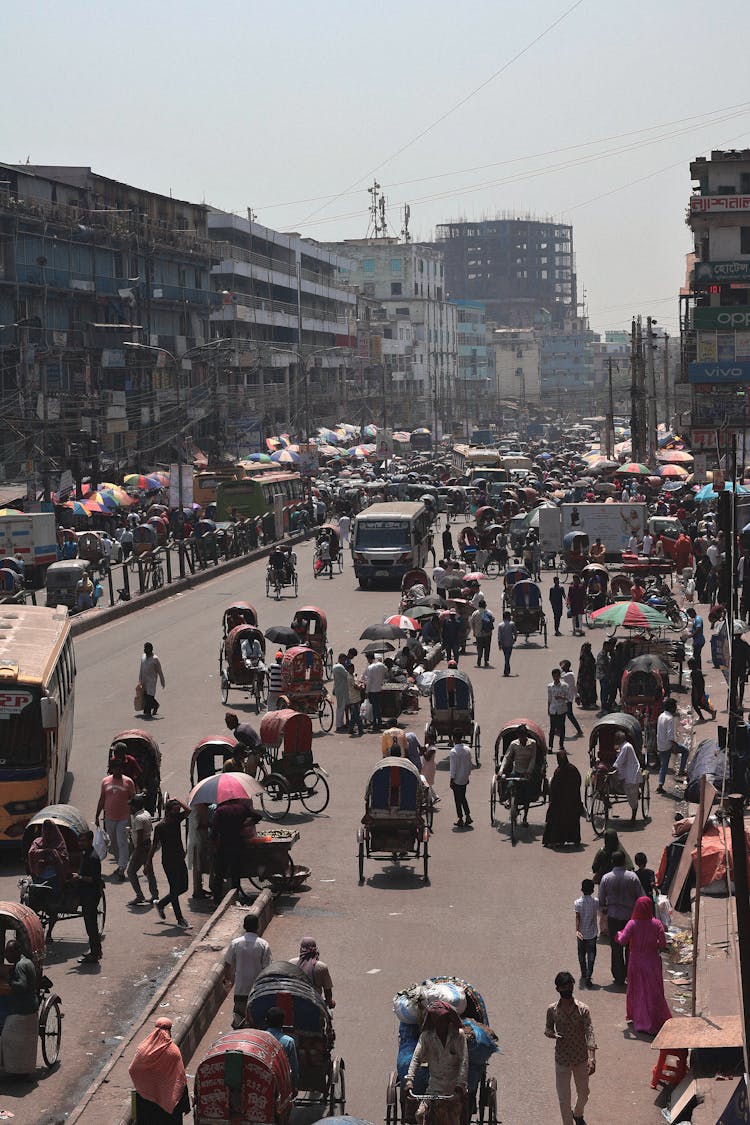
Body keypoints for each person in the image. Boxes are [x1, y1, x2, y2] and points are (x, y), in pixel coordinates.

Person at [544, 971, 596, 1125]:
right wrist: (551, 1034)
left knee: (584, 1093)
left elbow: (590, 1032)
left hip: (580, 1058)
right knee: (563, 1099)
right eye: (564, 986)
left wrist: (592, 1058)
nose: (567, 988)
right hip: (562, 1060)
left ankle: (578, 1113)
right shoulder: (552, 1010)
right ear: (558, 989)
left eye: (570, 985)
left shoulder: (583, 1009)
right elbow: (547, 1029)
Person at [404, 1001, 468, 1125]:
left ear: (448, 1019)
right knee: (420, 1115)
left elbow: (464, 1061)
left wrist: (460, 1086)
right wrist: (409, 1080)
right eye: (437, 1020)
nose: (440, 1023)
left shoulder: (458, 1036)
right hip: (433, 1090)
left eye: (443, 1020)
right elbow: (416, 1059)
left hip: (454, 1092)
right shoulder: (426, 1037)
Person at [616, 897, 672, 1035]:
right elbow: (663, 944)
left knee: (638, 990)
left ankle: (641, 1020)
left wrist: (618, 934)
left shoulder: (632, 924)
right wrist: (653, 945)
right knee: (653, 991)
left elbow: (622, 941)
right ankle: (654, 1019)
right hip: (652, 961)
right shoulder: (656, 923)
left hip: (636, 962)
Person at [129, 1016, 190, 1123]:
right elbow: (180, 1079)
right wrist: (185, 1105)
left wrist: (145, 1086)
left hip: (146, 1102)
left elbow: (133, 1069)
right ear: (169, 1030)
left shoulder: (143, 1049)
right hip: (168, 1103)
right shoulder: (173, 1051)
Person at [145, 798, 191, 929]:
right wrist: (148, 862)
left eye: (178, 810)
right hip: (169, 861)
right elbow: (154, 846)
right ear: (168, 811)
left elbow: (188, 811)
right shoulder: (160, 827)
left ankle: (161, 904)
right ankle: (180, 919)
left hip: (179, 859)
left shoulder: (177, 820)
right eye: (175, 810)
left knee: (184, 887)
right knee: (175, 889)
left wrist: (177, 800)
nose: (177, 812)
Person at [598, 850, 642, 985]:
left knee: (616, 947)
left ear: (612, 862)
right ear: (624, 862)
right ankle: (630, 974)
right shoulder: (633, 877)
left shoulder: (606, 878)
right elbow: (641, 897)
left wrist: (604, 908)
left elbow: (601, 898)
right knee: (630, 947)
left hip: (613, 917)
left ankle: (618, 976)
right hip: (630, 918)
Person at [223, 914, 272, 1028]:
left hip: (241, 990)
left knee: (240, 1021)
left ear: (244, 926)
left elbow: (227, 965)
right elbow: (268, 969)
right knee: (257, 1022)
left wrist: (227, 981)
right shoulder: (263, 944)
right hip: (257, 991)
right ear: (258, 926)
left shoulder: (235, 943)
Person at [27, 818, 71, 943]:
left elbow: (62, 858)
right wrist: (45, 853)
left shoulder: (59, 843)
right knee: (31, 904)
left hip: (55, 878)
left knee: (53, 907)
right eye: (45, 831)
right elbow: (32, 852)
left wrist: (52, 857)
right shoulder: (38, 841)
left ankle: (49, 933)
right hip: (39, 878)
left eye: (49, 831)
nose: (47, 833)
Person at [95, 760, 136, 878]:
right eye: (115, 768)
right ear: (111, 769)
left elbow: (133, 799)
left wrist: (133, 816)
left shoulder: (128, 782)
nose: (118, 771)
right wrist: (97, 815)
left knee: (122, 842)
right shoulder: (105, 781)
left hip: (123, 818)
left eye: (120, 768)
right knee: (113, 843)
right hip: (109, 818)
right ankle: (120, 863)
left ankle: (122, 867)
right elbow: (102, 799)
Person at [72, 829, 103, 964]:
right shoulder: (86, 854)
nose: (80, 843)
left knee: (91, 925)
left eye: (83, 841)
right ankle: (96, 951)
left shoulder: (93, 857)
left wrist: (79, 877)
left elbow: (94, 880)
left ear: (90, 841)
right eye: (79, 840)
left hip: (91, 895)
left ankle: (94, 954)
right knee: (90, 925)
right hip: (86, 894)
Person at [542, 751, 583, 847]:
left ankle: (556, 839)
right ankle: (573, 838)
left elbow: (554, 787)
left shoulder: (559, 771)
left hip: (559, 802)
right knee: (572, 819)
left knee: (554, 818)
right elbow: (578, 782)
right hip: (573, 801)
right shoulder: (573, 769)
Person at [501, 724, 539, 825]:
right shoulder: (514, 744)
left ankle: (525, 818)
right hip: (516, 770)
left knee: (527, 795)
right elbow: (507, 757)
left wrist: (528, 772)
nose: (521, 738)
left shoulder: (532, 744)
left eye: (522, 736)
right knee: (509, 784)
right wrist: (501, 770)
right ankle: (509, 801)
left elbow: (533, 758)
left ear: (525, 735)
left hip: (527, 772)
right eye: (519, 736)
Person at [127, 794, 159, 904]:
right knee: (149, 872)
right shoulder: (146, 814)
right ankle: (155, 895)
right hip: (147, 846)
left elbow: (140, 835)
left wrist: (136, 851)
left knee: (131, 872)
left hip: (141, 848)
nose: (129, 808)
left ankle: (139, 895)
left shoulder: (138, 818)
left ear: (135, 807)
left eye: (131, 806)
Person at [0, 940, 37, 1032]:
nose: (6, 955)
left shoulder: (20, 966)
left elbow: (21, 986)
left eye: (10, 952)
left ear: (18, 951)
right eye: (6, 952)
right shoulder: (27, 961)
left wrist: (8, 979)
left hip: (22, 1007)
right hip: (31, 1003)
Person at [290, 937, 335, 1008]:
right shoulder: (321, 966)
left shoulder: (291, 963)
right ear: (315, 949)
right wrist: (330, 1002)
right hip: (314, 1003)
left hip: (294, 1001)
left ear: (300, 949)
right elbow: (327, 991)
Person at [656, 697, 689, 792]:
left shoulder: (661, 716)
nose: (675, 709)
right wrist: (674, 747)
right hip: (668, 745)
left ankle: (660, 785)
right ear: (671, 707)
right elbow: (670, 736)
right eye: (674, 707)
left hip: (660, 745)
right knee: (685, 751)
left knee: (664, 766)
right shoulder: (670, 718)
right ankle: (681, 771)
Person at [265, 1007, 299, 1094]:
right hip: (282, 1082)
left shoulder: (260, 1038)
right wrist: (294, 1085)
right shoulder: (288, 1041)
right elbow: (293, 1067)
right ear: (282, 1023)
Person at [612, 730, 642, 823]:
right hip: (627, 771)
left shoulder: (626, 747)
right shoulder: (623, 747)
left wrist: (613, 767)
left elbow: (619, 761)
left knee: (632, 797)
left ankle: (633, 818)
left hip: (632, 773)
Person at [574, 880, 599, 987]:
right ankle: (589, 975)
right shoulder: (595, 902)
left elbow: (577, 917)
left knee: (581, 954)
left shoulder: (577, 902)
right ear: (592, 890)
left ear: (582, 889)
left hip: (581, 934)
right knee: (591, 955)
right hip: (592, 933)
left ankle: (583, 973)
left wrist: (577, 930)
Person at [449, 737, 472, 828]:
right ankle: (468, 816)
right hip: (464, 778)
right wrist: (467, 775)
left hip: (457, 779)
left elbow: (453, 768)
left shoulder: (453, 751)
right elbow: (469, 764)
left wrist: (451, 779)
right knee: (462, 797)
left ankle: (461, 818)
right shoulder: (467, 749)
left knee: (458, 800)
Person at [139, 641, 165, 718]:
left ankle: (148, 711)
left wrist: (162, 681)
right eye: (145, 648)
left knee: (150, 696)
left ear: (151, 649)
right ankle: (155, 705)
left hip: (151, 681)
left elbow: (160, 671)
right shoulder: (143, 657)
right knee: (145, 695)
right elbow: (141, 669)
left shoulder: (155, 659)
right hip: (144, 680)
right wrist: (139, 680)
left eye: (147, 648)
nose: (145, 650)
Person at [688, 656, 716, 721]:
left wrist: (695, 693)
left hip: (696, 692)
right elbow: (703, 682)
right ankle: (712, 712)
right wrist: (703, 691)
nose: (688, 666)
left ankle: (701, 717)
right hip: (701, 690)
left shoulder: (693, 673)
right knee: (701, 704)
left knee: (695, 705)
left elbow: (694, 684)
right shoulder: (699, 671)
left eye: (689, 665)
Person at [560, 660, 583, 737]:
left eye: (562, 665)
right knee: (565, 714)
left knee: (569, 715)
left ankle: (579, 730)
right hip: (565, 698)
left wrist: (577, 696)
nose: (561, 667)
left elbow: (559, 676)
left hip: (567, 698)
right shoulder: (567, 674)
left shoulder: (569, 674)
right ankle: (558, 729)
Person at [364, 652, 387, 731]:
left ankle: (374, 723)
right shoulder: (381, 665)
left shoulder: (370, 668)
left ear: (369, 659)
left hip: (372, 691)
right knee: (378, 706)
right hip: (379, 689)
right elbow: (385, 670)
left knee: (374, 707)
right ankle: (379, 722)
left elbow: (369, 681)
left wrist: (366, 692)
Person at [548, 668, 569, 752]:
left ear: (560, 676)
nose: (556, 678)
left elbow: (568, 698)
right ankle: (550, 746)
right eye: (554, 676)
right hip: (553, 709)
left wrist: (560, 697)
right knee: (552, 728)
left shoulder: (564, 686)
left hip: (562, 709)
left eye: (557, 676)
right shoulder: (550, 686)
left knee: (561, 727)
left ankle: (561, 745)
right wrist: (548, 708)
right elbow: (549, 698)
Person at [470, 598, 494, 668]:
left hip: (478, 634)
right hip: (487, 633)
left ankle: (479, 659)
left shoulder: (475, 613)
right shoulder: (489, 612)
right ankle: (486, 661)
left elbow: (471, 623)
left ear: (479, 605)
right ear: (485, 605)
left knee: (479, 647)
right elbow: (492, 620)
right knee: (487, 647)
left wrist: (474, 631)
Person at [496, 611, 517, 677]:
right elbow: (515, 633)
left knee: (506, 657)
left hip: (503, 644)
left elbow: (499, 636)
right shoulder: (512, 624)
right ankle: (506, 670)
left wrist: (499, 644)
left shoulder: (500, 625)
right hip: (510, 643)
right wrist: (515, 639)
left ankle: (507, 670)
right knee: (507, 657)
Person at [576, 643, 597, 710]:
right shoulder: (585, 656)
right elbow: (586, 666)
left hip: (589, 676)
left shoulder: (588, 655)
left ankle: (589, 702)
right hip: (585, 676)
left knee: (589, 689)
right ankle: (586, 703)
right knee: (586, 690)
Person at [332, 653, 350, 731]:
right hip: (341, 689)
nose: (344, 661)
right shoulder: (339, 667)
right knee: (341, 708)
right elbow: (347, 675)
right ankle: (339, 725)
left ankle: (340, 723)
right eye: (344, 660)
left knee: (341, 707)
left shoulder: (336, 666)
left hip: (340, 689)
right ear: (341, 659)